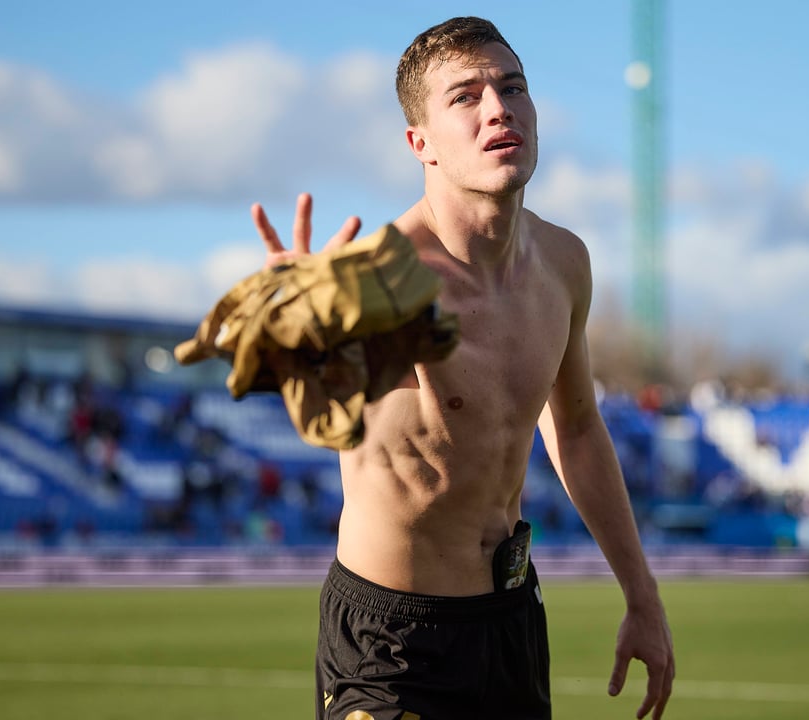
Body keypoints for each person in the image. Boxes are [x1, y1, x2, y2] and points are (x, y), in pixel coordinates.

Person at [247, 17, 674, 720]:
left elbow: (575, 429)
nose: (498, 109)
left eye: (513, 88)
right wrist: (294, 325)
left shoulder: (565, 264)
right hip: (390, 648)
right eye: (466, 97)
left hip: (510, 623)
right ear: (421, 144)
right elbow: (321, 398)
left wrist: (642, 597)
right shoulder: (375, 279)